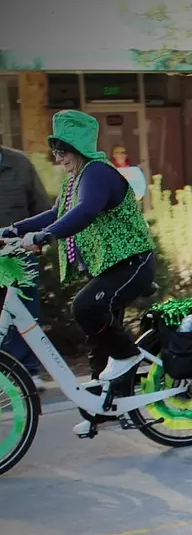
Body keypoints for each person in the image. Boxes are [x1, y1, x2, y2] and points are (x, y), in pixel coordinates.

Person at [3, 110, 156, 436]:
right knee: (98, 347)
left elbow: (86, 211)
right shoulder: (76, 180)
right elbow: (53, 213)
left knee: (86, 307)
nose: (59, 160)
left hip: (133, 263)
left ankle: (129, 355)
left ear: (79, 148)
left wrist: (49, 236)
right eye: (54, 153)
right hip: (111, 267)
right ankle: (103, 411)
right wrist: (12, 229)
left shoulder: (97, 173)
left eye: (63, 152)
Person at [0, 144, 51, 388]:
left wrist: (39, 239)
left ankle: (29, 372)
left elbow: (41, 205)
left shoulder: (19, 164)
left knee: (25, 311)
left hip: (17, 252)